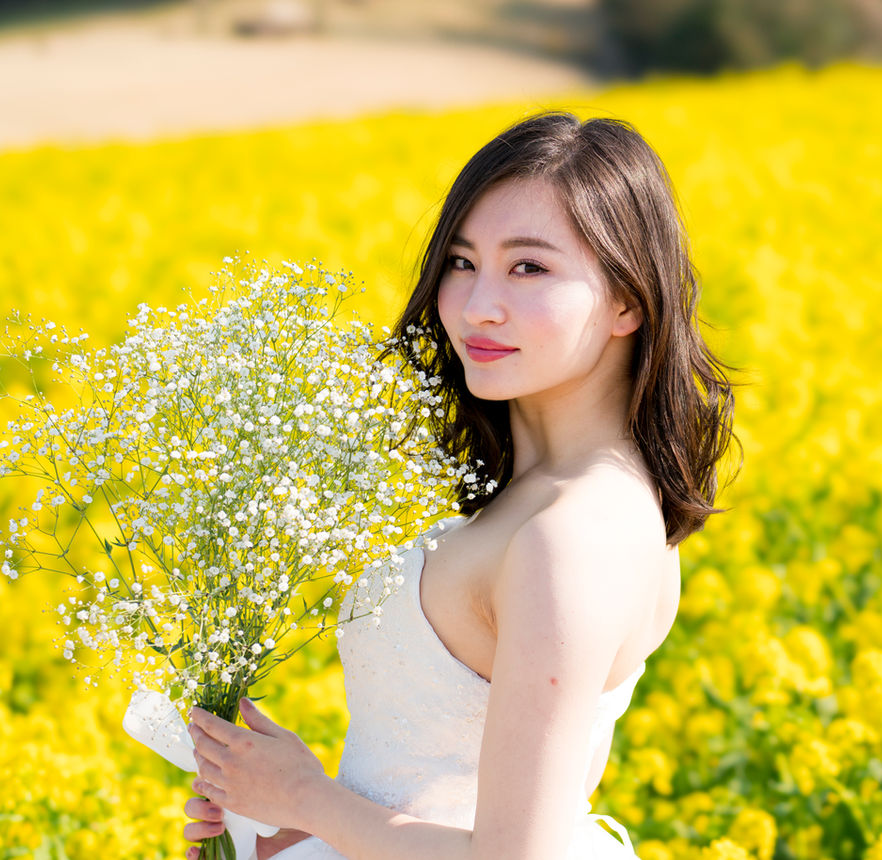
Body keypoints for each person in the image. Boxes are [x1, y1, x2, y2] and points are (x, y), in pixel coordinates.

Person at [178, 109, 740, 860]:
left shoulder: (571, 534)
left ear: (627, 301)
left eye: (529, 267)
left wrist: (307, 797)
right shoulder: (544, 498)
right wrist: (291, 820)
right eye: (462, 262)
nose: (476, 307)